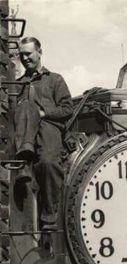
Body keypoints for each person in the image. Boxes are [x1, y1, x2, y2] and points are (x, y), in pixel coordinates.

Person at [14, 37, 73, 231]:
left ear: (39, 52)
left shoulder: (55, 79)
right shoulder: (17, 84)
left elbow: (67, 109)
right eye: (21, 54)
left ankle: (49, 217)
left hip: (48, 129)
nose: (24, 58)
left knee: (48, 163)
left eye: (28, 53)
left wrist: (43, 113)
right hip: (24, 134)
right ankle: (24, 160)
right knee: (24, 107)